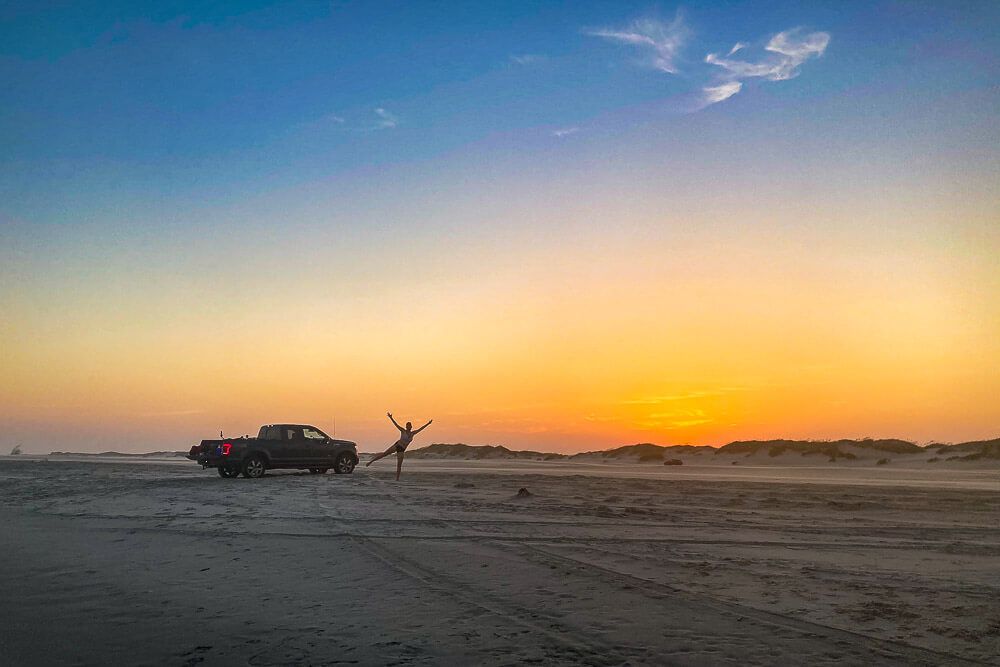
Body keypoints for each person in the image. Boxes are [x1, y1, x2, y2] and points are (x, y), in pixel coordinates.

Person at [365, 412, 432, 480]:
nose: (409, 427)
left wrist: (428, 424)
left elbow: (421, 428)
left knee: (399, 465)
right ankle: (371, 462)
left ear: (411, 426)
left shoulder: (413, 433)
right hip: (397, 445)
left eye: (410, 426)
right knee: (384, 454)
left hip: (402, 449)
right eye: (407, 426)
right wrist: (391, 417)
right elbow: (396, 425)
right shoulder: (403, 430)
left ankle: (397, 478)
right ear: (406, 426)